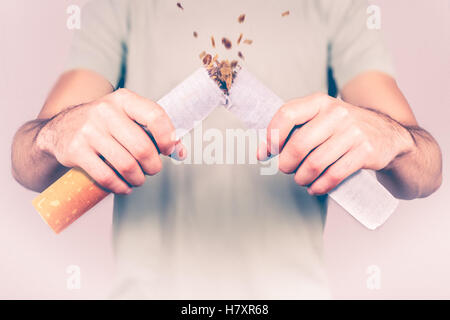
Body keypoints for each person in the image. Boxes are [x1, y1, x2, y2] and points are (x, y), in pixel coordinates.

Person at [11, 0, 442, 299]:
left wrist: (395, 138)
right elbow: (29, 167)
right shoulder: (122, 6)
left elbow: (426, 171)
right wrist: (54, 135)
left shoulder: (335, 8)